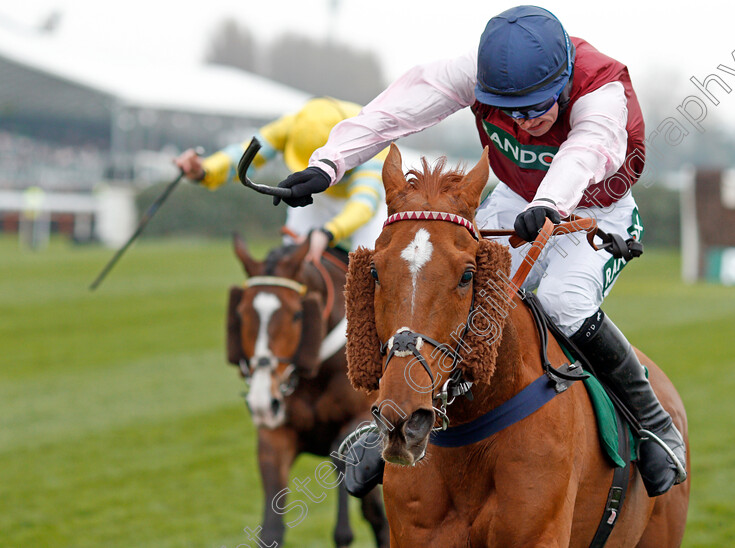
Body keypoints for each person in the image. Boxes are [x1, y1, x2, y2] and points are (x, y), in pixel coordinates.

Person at [272, 6, 686, 498]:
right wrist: (328, 164)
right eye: (509, 112)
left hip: (597, 209)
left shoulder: (601, 88)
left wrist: (550, 202)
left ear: (563, 82)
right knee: (446, 283)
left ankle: (654, 422)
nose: (522, 124)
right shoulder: (478, 72)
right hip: (515, 202)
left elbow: (587, 150)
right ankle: (394, 421)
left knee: (561, 300)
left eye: (536, 110)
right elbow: (395, 110)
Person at [174, 97, 387, 262]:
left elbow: (363, 205)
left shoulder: (370, 137)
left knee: (371, 264)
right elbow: (243, 153)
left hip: (367, 205)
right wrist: (205, 170)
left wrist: (328, 233)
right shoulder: (292, 124)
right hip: (318, 198)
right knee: (290, 259)